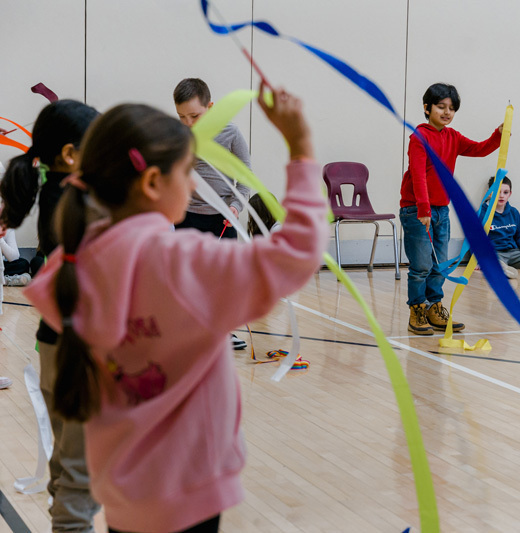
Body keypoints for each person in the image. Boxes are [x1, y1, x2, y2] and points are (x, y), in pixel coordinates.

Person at [24, 86, 328, 533]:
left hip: (120, 487)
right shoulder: (185, 262)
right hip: (189, 485)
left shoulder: (69, 263)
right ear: (151, 184)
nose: (194, 183)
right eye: (188, 172)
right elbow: (296, 253)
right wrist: (300, 149)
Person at [0, 99, 101, 532]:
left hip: (55, 347)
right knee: (79, 481)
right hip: (79, 353)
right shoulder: (81, 206)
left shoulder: (57, 193)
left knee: (67, 466)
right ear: (70, 155)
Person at [400, 82, 502, 335]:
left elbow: (480, 149)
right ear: (427, 108)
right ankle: (417, 309)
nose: (447, 112)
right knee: (421, 264)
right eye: (441, 107)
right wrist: (423, 208)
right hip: (417, 210)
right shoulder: (419, 137)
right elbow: (418, 175)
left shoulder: (453, 137)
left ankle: (435, 306)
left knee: (440, 264)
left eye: (451, 108)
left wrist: (499, 134)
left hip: (441, 211)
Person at [173, 77, 252, 350]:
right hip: (186, 216)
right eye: (182, 117)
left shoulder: (231, 133)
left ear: (211, 107)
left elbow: (245, 178)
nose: (189, 123)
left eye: (195, 116)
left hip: (222, 217)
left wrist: (235, 206)